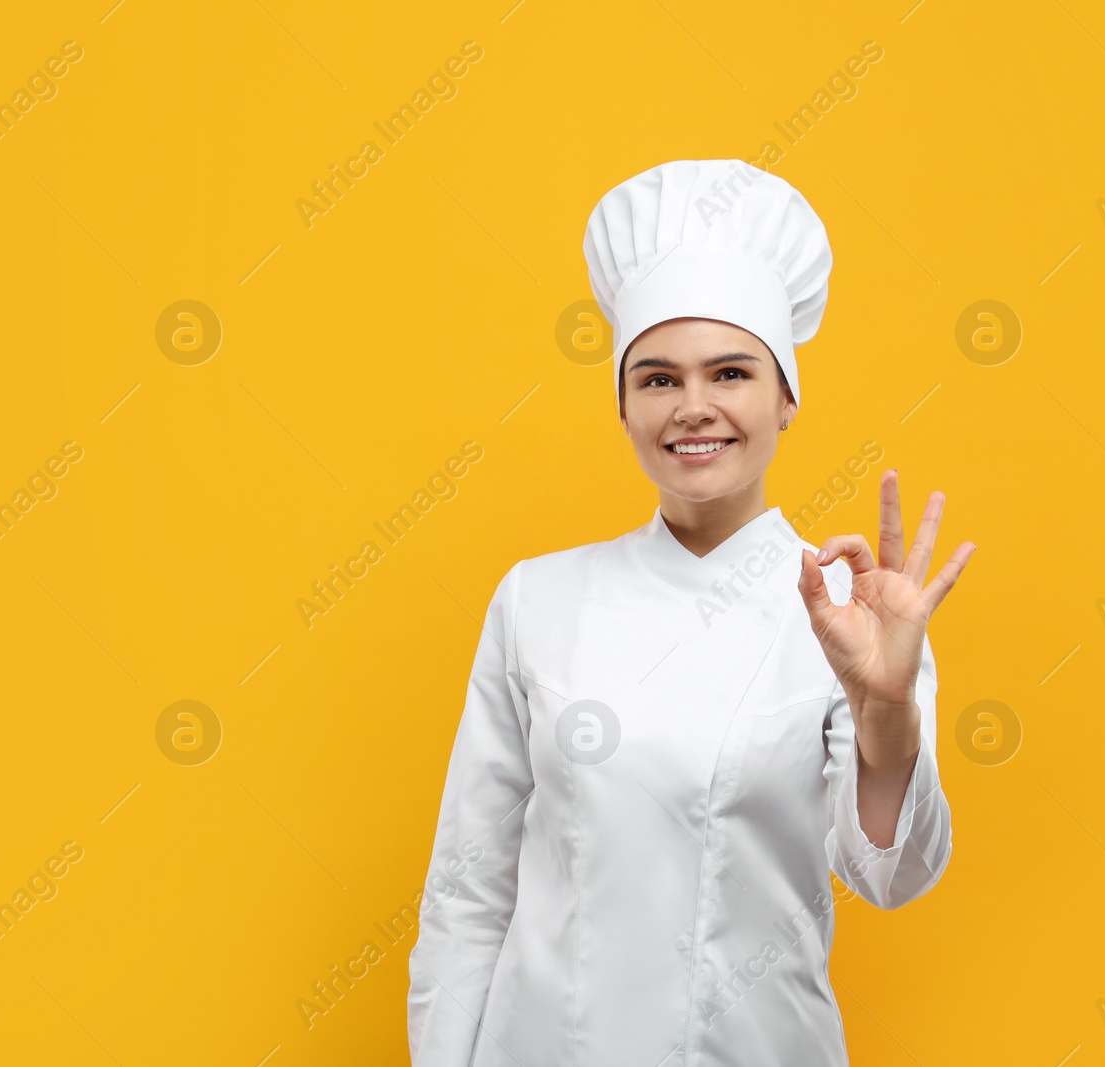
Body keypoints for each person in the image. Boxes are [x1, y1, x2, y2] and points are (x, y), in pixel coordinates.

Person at [406, 158, 977, 1066]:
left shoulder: (853, 616)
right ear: (625, 404)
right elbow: (467, 891)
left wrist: (887, 712)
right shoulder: (538, 599)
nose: (694, 407)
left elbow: (891, 877)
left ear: (786, 397)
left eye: (731, 372)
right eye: (659, 379)